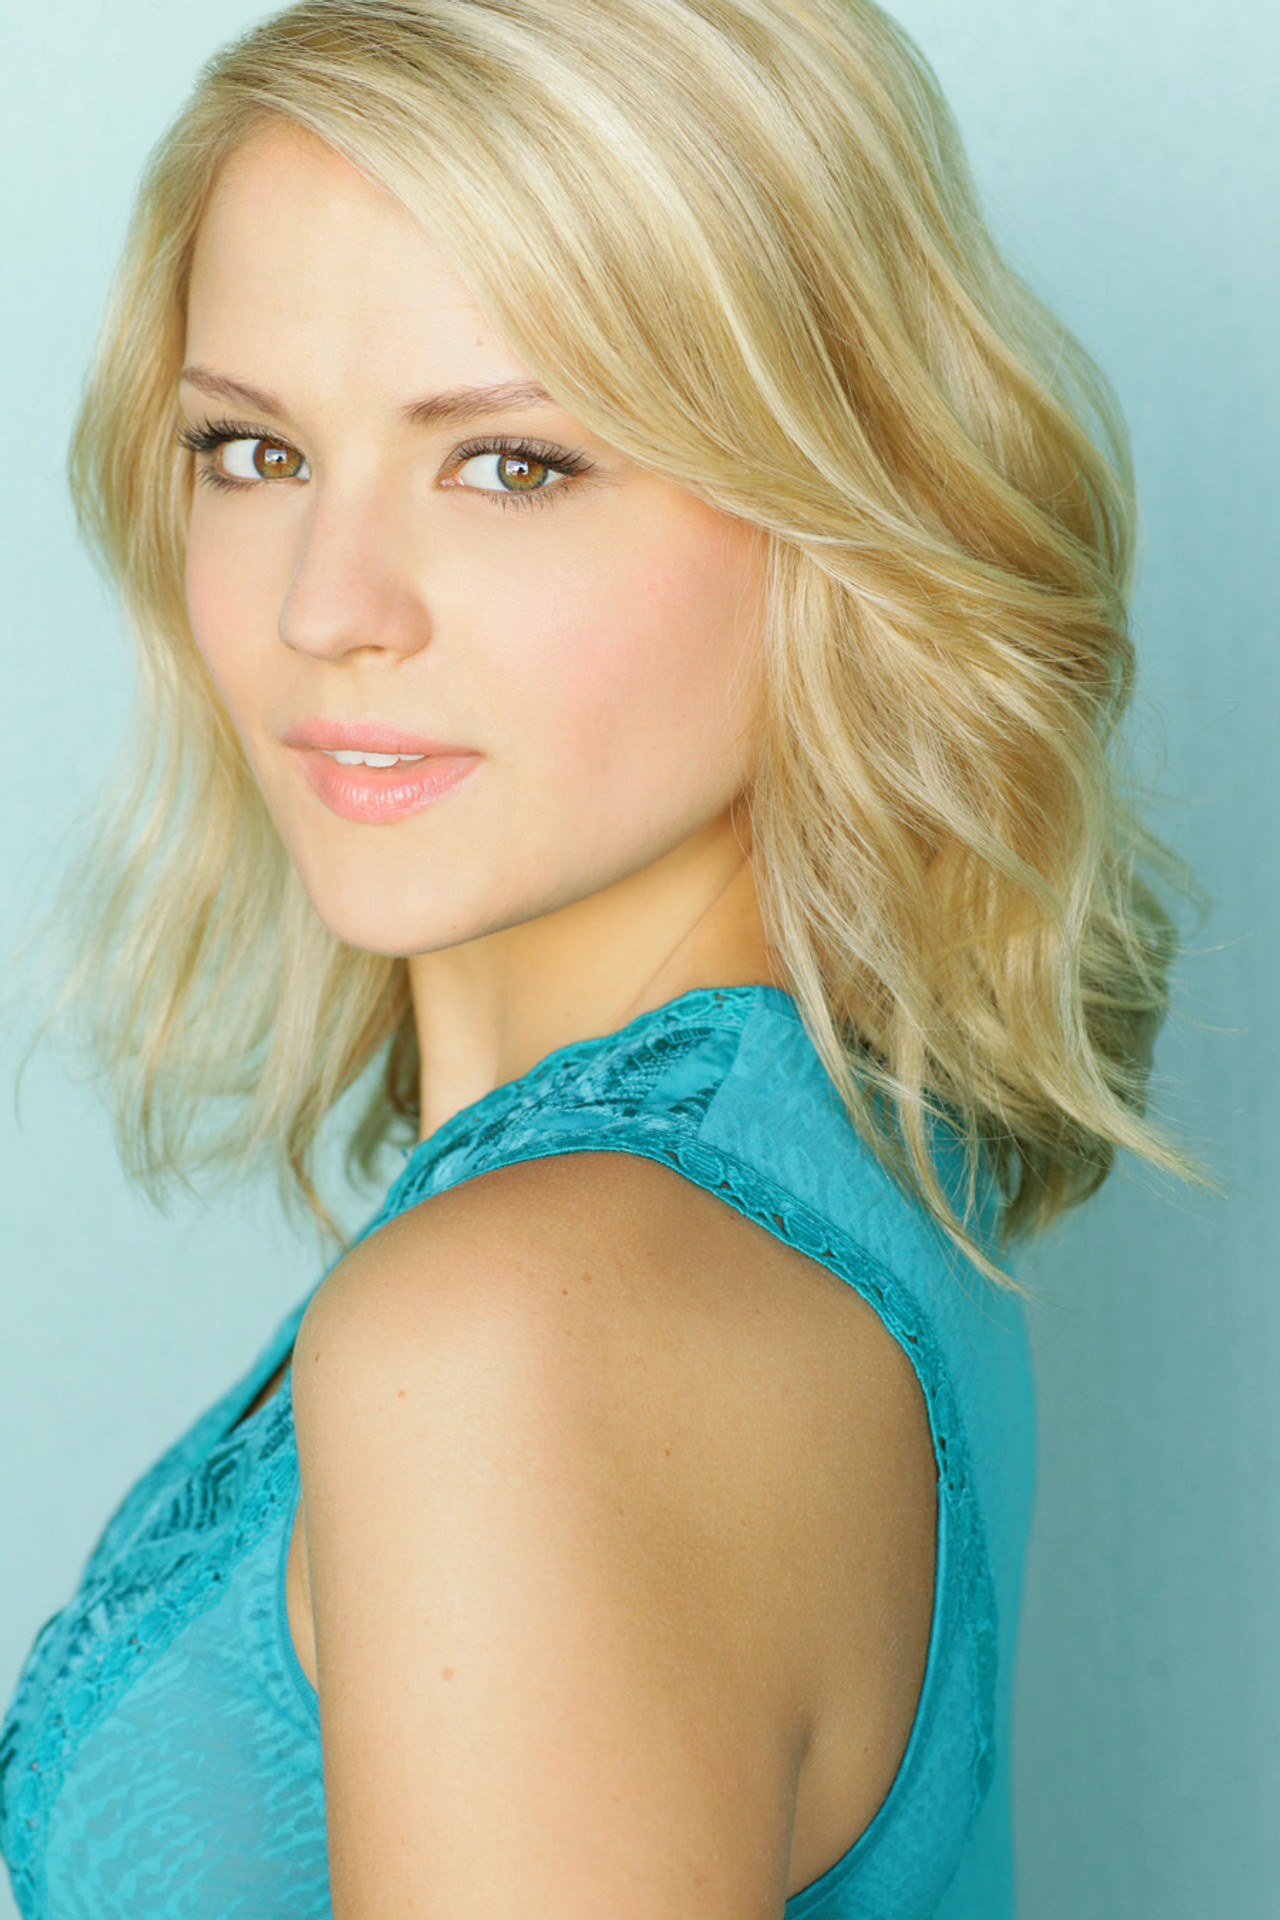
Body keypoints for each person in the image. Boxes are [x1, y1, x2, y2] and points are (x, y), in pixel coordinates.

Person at [0, 1, 1201, 1914]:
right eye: (251, 449)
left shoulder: (520, 1335)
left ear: (837, 496)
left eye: (513, 465)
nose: (327, 607)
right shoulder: (805, 1173)